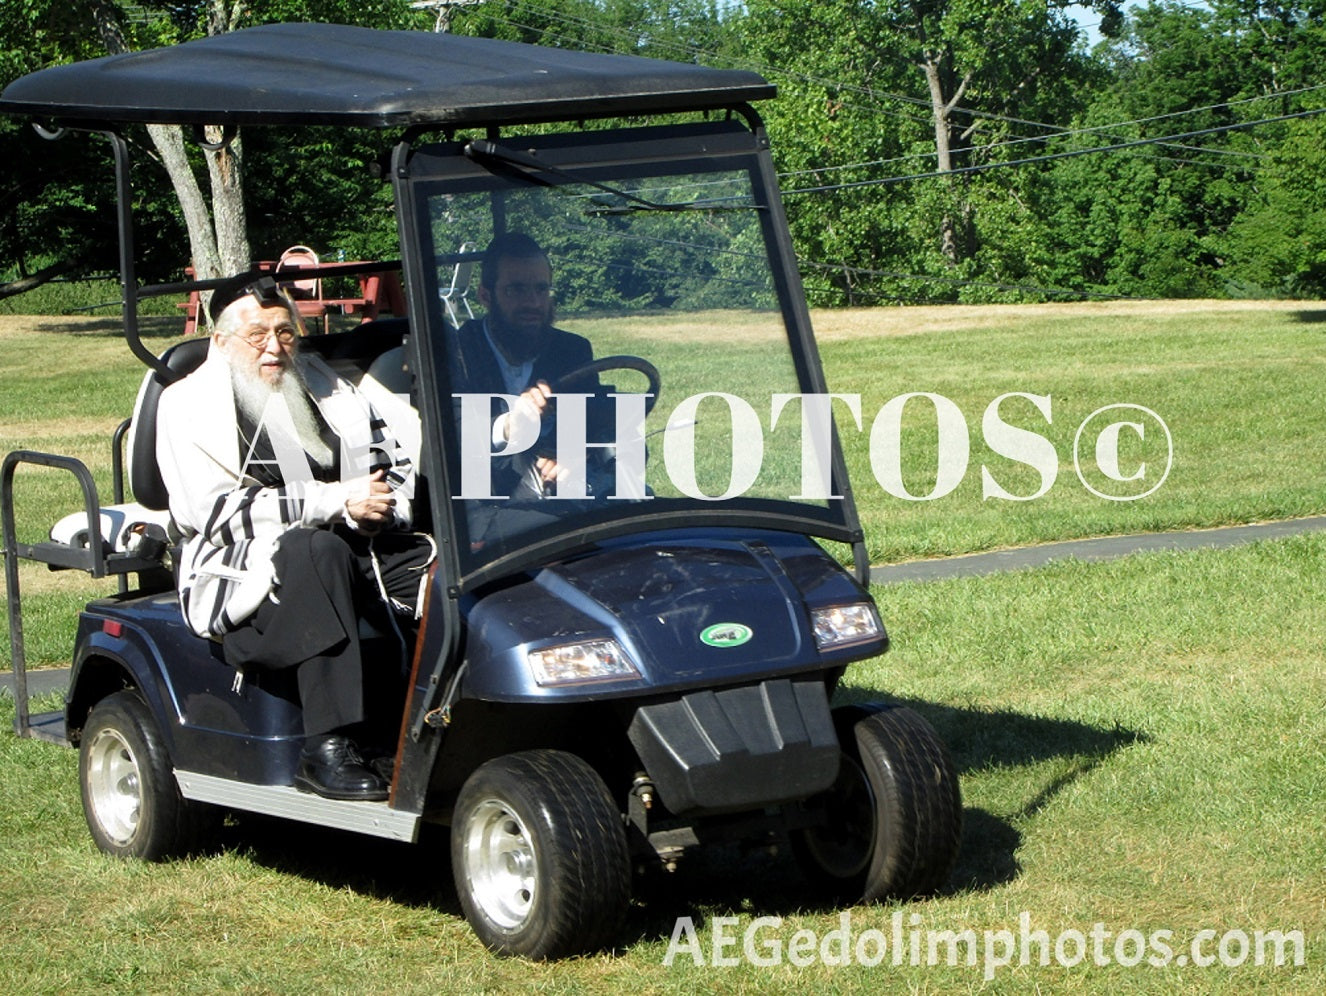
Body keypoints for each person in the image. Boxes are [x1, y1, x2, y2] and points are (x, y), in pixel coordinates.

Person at [155, 271, 432, 802]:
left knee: (440, 566)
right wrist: (334, 502)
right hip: (241, 565)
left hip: (355, 544)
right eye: (256, 335)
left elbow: (393, 459)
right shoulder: (186, 404)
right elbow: (213, 514)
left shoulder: (322, 382)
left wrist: (380, 507)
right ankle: (327, 746)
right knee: (318, 551)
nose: (274, 348)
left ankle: (429, 722)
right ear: (220, 341)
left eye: (284, 333)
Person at [449, 233, 603, 517]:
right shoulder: (458, 353)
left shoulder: (572, 350)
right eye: (516, 290)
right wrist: (509, 426)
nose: (533, 303)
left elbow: (592, 421)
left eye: (541, 289)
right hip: (484, 513)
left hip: (562, 503)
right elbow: (452, 436)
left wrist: (574, 454)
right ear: (486, 295)